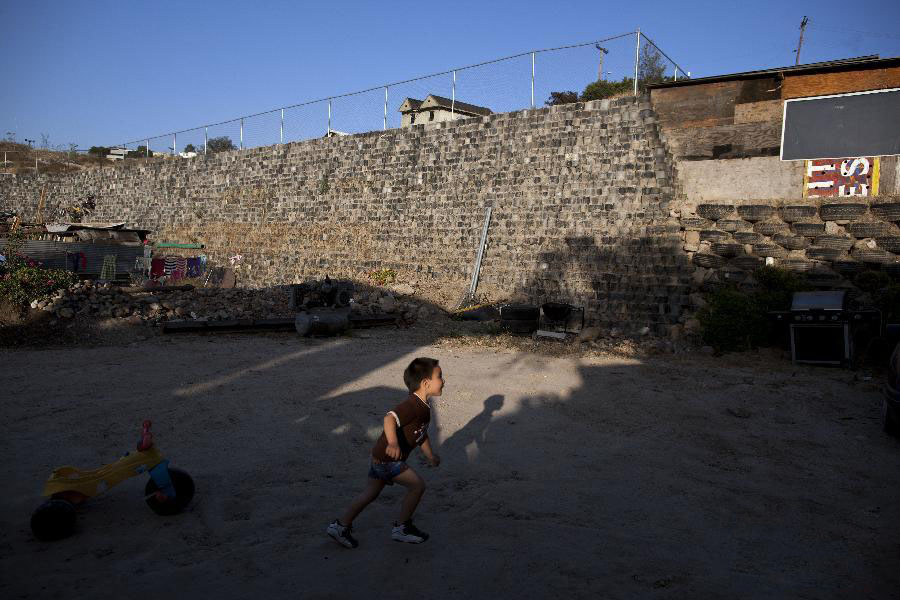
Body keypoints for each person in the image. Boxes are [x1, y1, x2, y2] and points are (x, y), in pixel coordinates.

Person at [326, 357, 444, 548]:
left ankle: (340, 526)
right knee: (417, 486)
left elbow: (421, 434)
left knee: (370, 493)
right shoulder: (413, 405)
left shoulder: (423, 407)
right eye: (439, 376)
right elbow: (389, 418)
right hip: (388, 460)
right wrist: (393, 443)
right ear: (425, 383)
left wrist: (430, 455)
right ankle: (402, 528)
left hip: (379, 458)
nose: (443, 381)